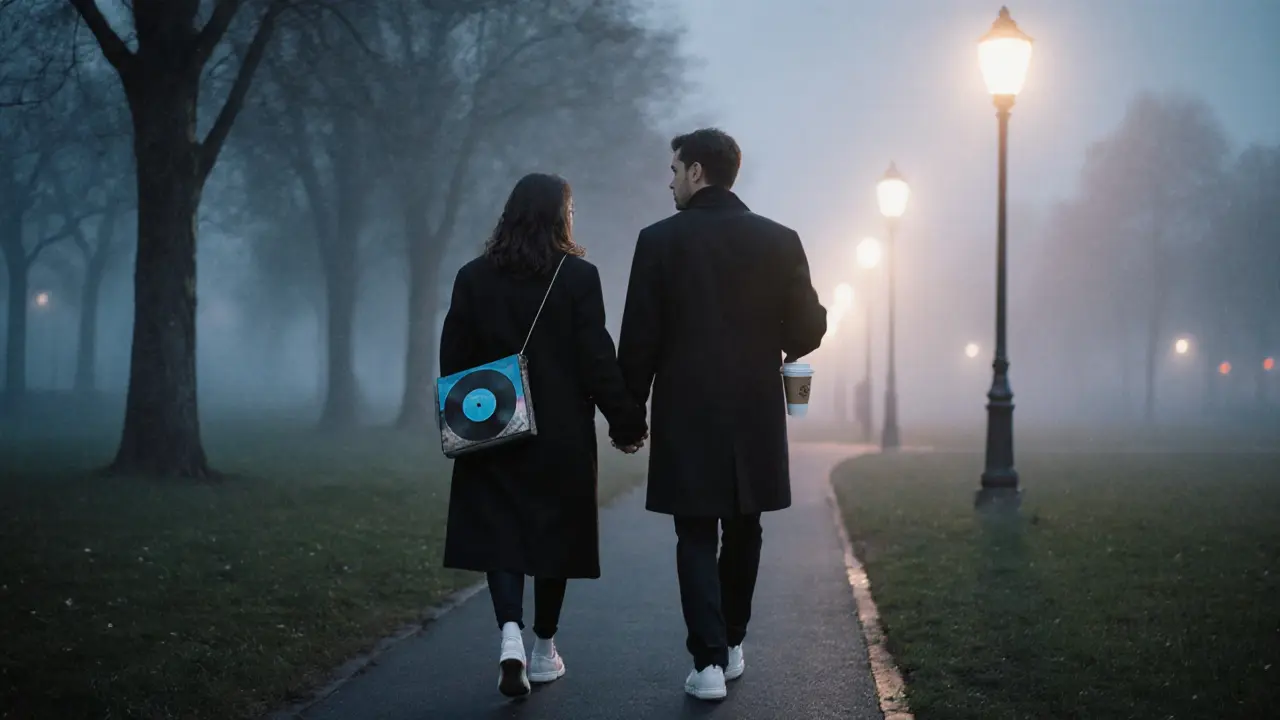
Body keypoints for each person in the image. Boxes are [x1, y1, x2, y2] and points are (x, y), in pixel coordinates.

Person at [616, 128, 827, 701]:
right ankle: (732, 642)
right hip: (754, 406)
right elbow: (810, 328)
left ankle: (706, 662)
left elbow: (639, 340)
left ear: (698, 172)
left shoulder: (657, 242)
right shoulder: (780, 240)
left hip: (686, 406)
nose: (669, 179)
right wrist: (775, 338)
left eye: (674, 168)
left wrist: (629, 419)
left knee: (693, 530)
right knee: (745, 523)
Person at [439, 172, 648, 699]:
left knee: (501, 534)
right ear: (561, 216)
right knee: (553, 537)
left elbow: (453, 361)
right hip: (559, 435)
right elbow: (597, 358)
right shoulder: (577, 278)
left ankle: (509, 630)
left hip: (493, 428)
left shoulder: (471, 277)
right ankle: (543, 647)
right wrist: (625, 422)